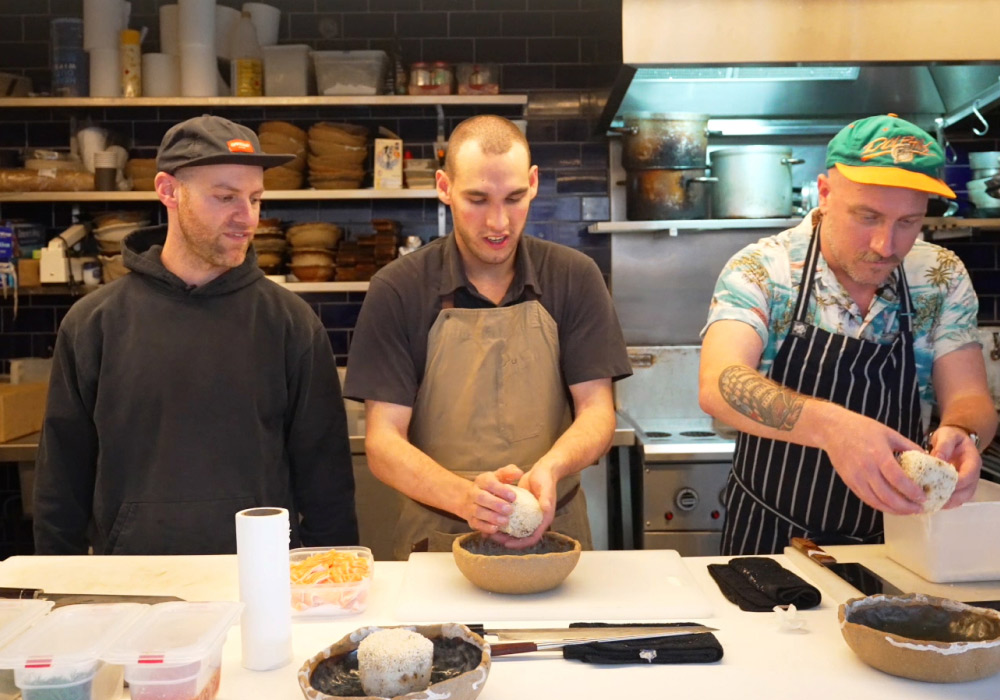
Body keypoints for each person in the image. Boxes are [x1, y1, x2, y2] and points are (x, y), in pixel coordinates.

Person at [34, 115, 358, 555]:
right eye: (225, 197)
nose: (247, 218)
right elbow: (61, 482)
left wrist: (329, 590)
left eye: (255, 198)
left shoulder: (291, 324)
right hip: (130, 588)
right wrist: (56, 588)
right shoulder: (94, 324)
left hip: (257, 583)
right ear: (168, 191)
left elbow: (328, 484)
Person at [699, 114, 998, 556]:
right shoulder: (764, 269)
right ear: (824, 192)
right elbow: (718, 384)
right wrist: (833, 428)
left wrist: (964, 434)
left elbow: (972, 399)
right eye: (867, 216)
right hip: (770, 538)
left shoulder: (940, 277)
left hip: (897, 541)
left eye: (908, 222)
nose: (886, 245)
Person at [344, 115, 631, 559]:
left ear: (533, 183)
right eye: (477, 199)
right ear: (444, 187)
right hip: (438, 540)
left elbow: (597, 410)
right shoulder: (399, 288)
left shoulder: (574, 277)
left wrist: (549, 471)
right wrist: (466, 499)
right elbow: (383, 443)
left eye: (514, 198)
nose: (498, 222)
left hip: (555, 531)